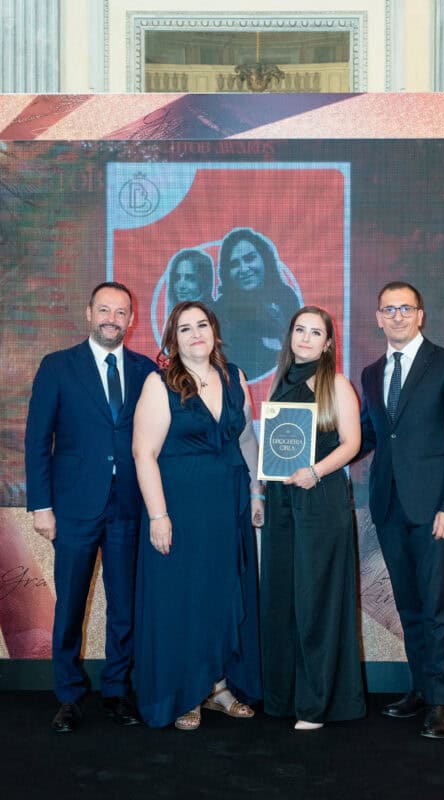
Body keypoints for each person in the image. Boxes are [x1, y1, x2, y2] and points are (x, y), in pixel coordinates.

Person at [24, 281, 156, 733]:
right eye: (104, 310)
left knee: (124, 606)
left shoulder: (145, 371)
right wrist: (41, 506)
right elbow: (37, 441)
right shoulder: (58, 366)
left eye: (120, 312)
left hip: (129, 507)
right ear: (88, 313)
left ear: (131, 320)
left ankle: (117, 691)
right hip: (74, 507)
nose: (111, 319)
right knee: (70, 605)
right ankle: (68, 696)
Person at [132, 301, 263, 730]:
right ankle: (186, 692)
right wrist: (158, 515)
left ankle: (219, 688)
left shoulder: (234, 377)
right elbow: (143, 453)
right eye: (184, 328)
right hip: (180, 510)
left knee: (222, 593)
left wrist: (256, 492)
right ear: (173, 339)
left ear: (214, 331)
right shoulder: (160, 383)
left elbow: (246, 439)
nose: (195, 334)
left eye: (201, 325)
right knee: (185, 598)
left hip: (229, 507)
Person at [358, 281, 444, 739]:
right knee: (409, 607)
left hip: (436, 514)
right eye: (389, 309)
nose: (398, 316)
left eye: (405, 308)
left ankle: (441, 702)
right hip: (389, 508)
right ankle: (422, 688)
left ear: (420, 315)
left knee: (437, 608)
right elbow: (370, 435)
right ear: (378, 318)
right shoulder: (372, 373)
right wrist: (314, 451)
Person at [260, 306, 367, 730]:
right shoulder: (279, 381)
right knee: (282, 597)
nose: (305, 338)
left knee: (316, 599)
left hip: (321, 500)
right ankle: (283, 698)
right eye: (299, 330)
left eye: (315, 332)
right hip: (282, 502)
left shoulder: (336, 383)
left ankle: (316, 704)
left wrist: (316, 472)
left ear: (327, 344)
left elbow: (352, 443)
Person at [216, 227, 300, 381]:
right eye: (234, 264)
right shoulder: (220, 309)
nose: (243, 269)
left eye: (249, 259)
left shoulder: (286, 297)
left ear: (265, 259)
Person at [165, 248, 215, 313]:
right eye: (177, 278)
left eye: (190, 279)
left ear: (204, 283)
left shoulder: (216, 314)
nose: (181, 286)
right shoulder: (174, 315)